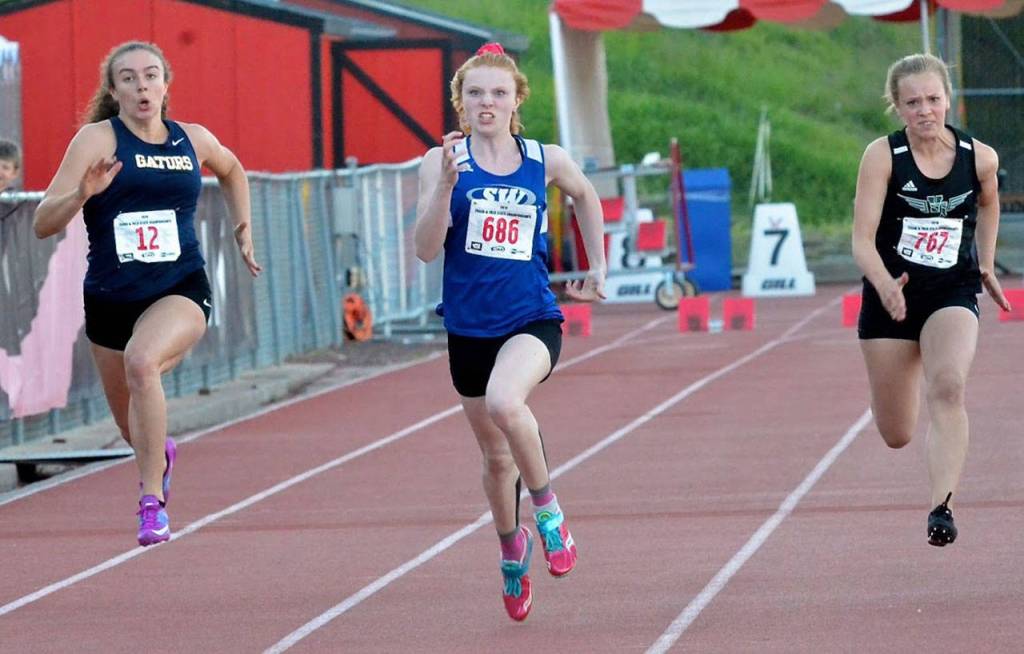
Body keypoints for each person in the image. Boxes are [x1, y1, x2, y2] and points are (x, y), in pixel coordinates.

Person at [33, 41, 261, 547]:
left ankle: (151, 502)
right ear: (113, 91)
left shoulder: (192, 140)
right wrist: (81, 194)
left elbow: (232, 169)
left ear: (166, 84)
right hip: (111, 297)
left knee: (142, 363)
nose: (142, 86)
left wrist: (243, 227)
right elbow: (41, 223)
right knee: (134, 431)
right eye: (130, 78)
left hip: (179, 287)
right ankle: (158, 456)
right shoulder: (96, 141)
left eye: (151, 75)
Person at [415, 42, 606, 621]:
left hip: (531, 317)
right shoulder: (441, 160)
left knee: (506, 401)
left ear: (516, 98)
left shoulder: (542, 158)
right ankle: (510, 549)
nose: (486, 102)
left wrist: (597, 266)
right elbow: (425, 251)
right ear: (461, 102)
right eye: (475, 93)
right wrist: (446, 187)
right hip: (469, 330)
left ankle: (549, 514)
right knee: (497, 462)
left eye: (498, 92)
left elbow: (585, 194)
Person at [852, 53, 1010, 547]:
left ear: (949, 99)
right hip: (891, 294)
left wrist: (985, 262)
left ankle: (942, 506)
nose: (925, 110)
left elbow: (989, 203)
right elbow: (860, 239)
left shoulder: (979, 157)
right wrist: (882, 284)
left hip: (951, 291)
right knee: (897, 432)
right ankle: (898, 371)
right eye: (913, 102)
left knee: (948, 387)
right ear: (897, 106)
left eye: (934, 99)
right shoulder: (883, 157)